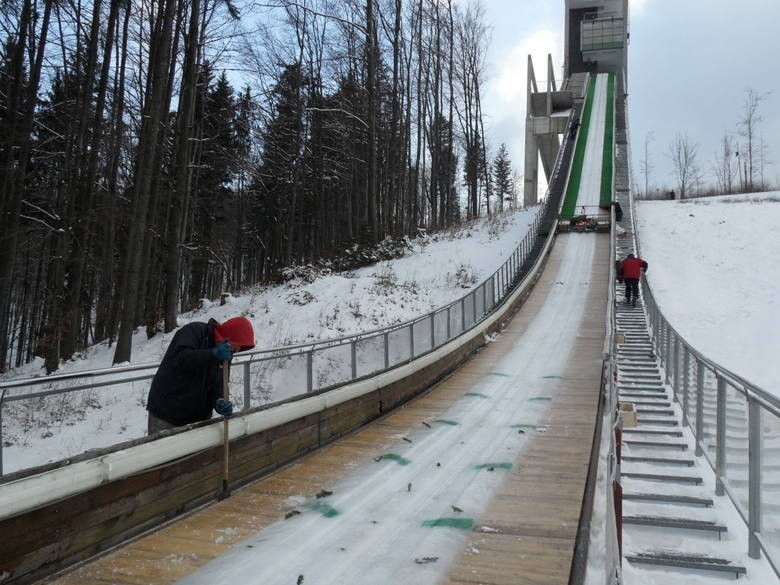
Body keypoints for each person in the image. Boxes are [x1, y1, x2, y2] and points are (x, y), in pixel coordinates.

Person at [146, 316, 256, 434]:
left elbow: (219, 384)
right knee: (162, 450)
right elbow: (181, 359)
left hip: (197, 419)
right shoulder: (194, 331)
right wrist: (212, 355)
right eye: (238, 344)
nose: (238, 349)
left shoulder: (226, 354)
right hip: (167, 413)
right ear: (229, 336)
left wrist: (220, 401)